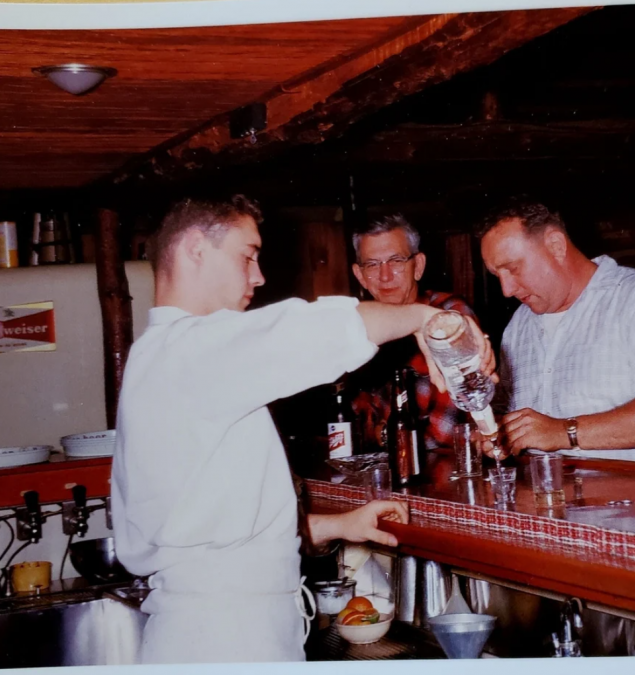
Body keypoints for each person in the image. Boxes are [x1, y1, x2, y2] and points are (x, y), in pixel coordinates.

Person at [110, 196, 492, 664]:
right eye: (247, 255)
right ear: (196, 249)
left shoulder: (169, 357)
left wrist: (335, 525)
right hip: (225, 637)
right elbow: (315, 330)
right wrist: (423, 316)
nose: (258, 276)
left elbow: (211, 522)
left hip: (219, 625)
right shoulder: (188, 351)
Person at [477, 198, 635, 467]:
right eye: (498, 275)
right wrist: (497, 432)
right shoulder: (518, 326)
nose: (506, 290)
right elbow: (505, 409)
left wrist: (562, 432)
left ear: (556, 246)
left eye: (513, 268)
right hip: (551, 501)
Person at [348, 214, 481, 451]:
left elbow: (447, 433)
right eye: (372, 264)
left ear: (418, 266)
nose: (385, 276)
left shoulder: (448, 314)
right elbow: (351, 423)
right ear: (360, 276)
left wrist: (387, 436)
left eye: (396, 261)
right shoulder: (359, 328)